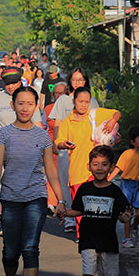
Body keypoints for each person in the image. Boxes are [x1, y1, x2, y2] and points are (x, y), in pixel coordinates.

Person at [0, 86, 67, 276]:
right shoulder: (3, 135)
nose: (25, 108)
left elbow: (51, 170)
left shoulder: (42, 135)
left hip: (36, 197)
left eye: (30, 104)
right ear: (13, 106)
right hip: (10, 198)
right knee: (10, 252)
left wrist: (61, 199)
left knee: (31, 248)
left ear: (36, 106)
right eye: (20, 103)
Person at [63, 145, 133, 276]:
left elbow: (122, 215)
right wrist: (64, 213)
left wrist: (126, 217)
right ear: (89, 166)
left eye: (104, 164)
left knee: (105, 273)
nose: (99, 168)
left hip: (108, 239)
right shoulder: (84, 189)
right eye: (95, 164)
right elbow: (77, 210)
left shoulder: (115, 192)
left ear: (111, 167)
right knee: (88, 272)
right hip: (87, 238)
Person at [56, 87, 121, 237]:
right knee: (80, 207)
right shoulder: (67, 122)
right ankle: (82, 235)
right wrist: (64, 144)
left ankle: (98, 233)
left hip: (96, 170)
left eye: (87, 101)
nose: (84, 105)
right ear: (74, 101)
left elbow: (117, 113)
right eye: (80, 101)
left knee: (99, 204)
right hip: (77, 170)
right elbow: (58, 142)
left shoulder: (94, 115)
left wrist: (112, 122)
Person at [49, 68, 100, 232]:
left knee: (87, 182)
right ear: (70, 81)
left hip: (87, 148)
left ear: (85, 81)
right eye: (74, 79)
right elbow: (57, 123)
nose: (78, 82)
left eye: (81, 79)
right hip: (66, 147)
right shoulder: (63, 100)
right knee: (66, 181)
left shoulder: (92, 101)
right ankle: (70, 217)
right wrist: (56, 144)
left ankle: (88, 217)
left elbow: (99, 124)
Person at [0, 67, 43, 168]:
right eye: (7, 84)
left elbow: (38, 127)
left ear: (20, 81)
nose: (10, 86)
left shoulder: (29, 98)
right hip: (1, 151)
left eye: (13, 83)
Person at [108, 126, 139, 248]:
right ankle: (127, 238)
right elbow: (118, 169)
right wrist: (107, 180)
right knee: (127, 212)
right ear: (133, 142)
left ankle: (134, 227)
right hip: (127, 185)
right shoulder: (127, 154)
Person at [44, 82, 68, 212]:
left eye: (62, 93)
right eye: (56, 93)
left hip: (65, 147)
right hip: (50, 147)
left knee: (64, 176)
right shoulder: (48, 109)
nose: (59, 95)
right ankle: (50, 202)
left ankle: (64, 201)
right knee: (51, 174)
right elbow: (42, 127)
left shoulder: (71, 108)